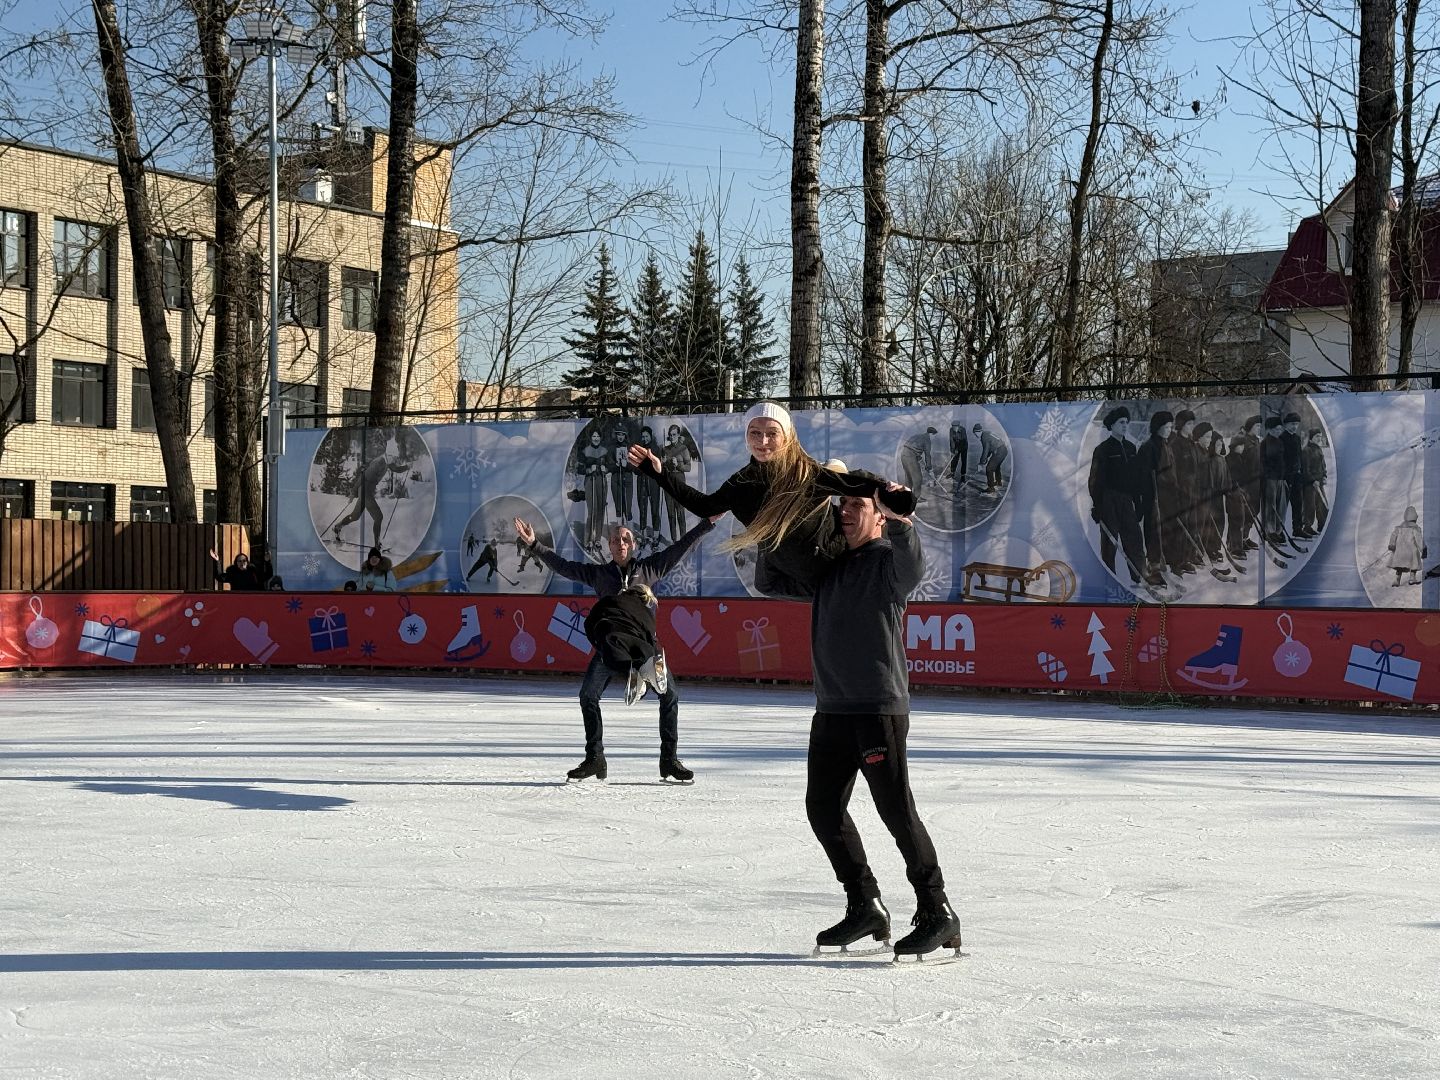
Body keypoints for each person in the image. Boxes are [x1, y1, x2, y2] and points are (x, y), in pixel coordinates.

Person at [759, 477, 959, 961]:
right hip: (831, 708)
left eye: (857, 505)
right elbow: (769, 581)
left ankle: (937, 909)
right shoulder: (828, 566)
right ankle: (864, 903)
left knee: (895, 810)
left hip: (876, 708)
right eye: (842, 503)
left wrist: (900, 517)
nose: (845, 511)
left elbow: (914, 563)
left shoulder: (887, 562)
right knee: (822, 809)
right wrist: (770, 525)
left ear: (878, 517)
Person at [627, 401, 916, 594]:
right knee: (764, 582)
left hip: (836, 564)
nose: (763, 442)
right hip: (795, 577)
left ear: (786, 437)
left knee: (835, 475)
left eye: (771, 434)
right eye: (755, 433)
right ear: (746, 436)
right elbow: (704, 506)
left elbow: (855, 484)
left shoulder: (805, 473)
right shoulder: (741, 484)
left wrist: (895, 496)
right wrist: (659, 474)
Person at [514, 512, 718, 782]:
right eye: (615, 540)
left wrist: (707, 523)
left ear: (633, 544)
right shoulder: (600, 574)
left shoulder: (649, 569)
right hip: (610, 647)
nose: (620, 543)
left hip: (644, 646)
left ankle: (669, 760)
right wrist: (533, 544)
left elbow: (681, 548)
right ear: (609, 547)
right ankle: (595, 758)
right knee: (588, 695)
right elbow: (563, 566)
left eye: (625, 539)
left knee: (670, 695)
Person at [1087, 407, 1151, 586]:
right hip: (1109, 500)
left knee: (1134, 538)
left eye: (1126, 422)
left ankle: (1139, 578)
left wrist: (1138, 503)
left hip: (1126, 500)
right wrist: (1098, 505)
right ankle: (1109, 579)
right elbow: (1095, 480)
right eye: (1121, 422)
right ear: (1112, 425)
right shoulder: (1103, 449)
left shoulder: (1131, 448)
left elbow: (1136, 478)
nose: (1125, 425)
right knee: (1110, 543)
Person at [583, 583, 667, 705]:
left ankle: (635, 674)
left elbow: (588, 623)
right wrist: (655, 653)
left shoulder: (609, 599)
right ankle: (645, 671)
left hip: (613, 637)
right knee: (643, 658)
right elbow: (651, 637)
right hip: (639, 644)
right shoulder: (647, 612)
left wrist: (597, 644)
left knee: (613, 660)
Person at [660, 424, 694, 543]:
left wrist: (678, 465)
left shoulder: (683, 448)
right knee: (671, 513)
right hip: (668, 482)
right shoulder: (665, 449)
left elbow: (689, 467)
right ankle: (674, 541)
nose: (672, 437)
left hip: (679, 481)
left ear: (678, 435)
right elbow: (661, 469)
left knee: (680, 512)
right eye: (670, 435)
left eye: (674, 434)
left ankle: (683, 540)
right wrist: (663, 463)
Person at [577, 429, 609, 555]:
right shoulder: (585, 451)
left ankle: (597, 539)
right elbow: (579, 468)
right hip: (590, 481)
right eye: (594, 436)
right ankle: (588, 540)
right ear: (591, 438)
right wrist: (589, 469)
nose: (596, 438)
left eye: (598, 436)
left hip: (602, 481)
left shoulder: (605, 451)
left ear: (600, 438)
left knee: (600, 510)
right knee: (592, 511)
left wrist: (606, 468)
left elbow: (611, 465)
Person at [634, 427, 663, 546]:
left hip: (653, 483)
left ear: (651, 436)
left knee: (655, 509)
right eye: (643, 436)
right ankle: (643, 535)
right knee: (642, 509)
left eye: (647, 436)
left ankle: (656, 535)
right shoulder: (638, 449)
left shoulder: (656, 448)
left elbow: (659, 468)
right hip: (641, 482)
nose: (645, 439)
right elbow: (635, 469)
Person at [1388, 506, 1426, 586]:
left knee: (1399, 566)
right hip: (1411, 552)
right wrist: (1423, 549)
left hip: (1400, 552)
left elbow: (1393, 536)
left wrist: (1392, 544)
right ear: (1415, 517)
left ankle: (1397, 580)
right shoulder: (1415, 528)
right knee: (1414, 563)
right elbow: (1419, 539)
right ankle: (1412, 578)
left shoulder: (1399, 527)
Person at [899, 427, 937, 502]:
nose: (934, 437)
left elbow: (911, 446)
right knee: (918, 478)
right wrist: (929, 467)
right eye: (934, 435)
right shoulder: (927, 440)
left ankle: (907, 496)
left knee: (908, 477)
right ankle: (916, 497)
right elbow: (927, 455)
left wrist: (918, 457)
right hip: (910, 457)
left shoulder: (917, 436)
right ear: (931, 434)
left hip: (903, 454)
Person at [973, 423, 1008, 493]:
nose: (976, 435)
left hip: (999, 451)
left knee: (989, 468)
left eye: (976, 433)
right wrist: (985, 459)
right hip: (1004, 450)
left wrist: (981, 463)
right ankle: (998, 482)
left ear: (979, 431)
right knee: (996, 466)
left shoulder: (984, 437)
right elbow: (988, 449)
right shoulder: (986, 433)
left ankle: (991, 488)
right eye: (974, 433)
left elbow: (985, 451)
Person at [938, 420, 968, 485]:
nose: (954, 428)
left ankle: (963, 476)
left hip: (963, 446)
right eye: (953, 426)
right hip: (956, 446)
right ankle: (952, 473)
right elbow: (951, 441)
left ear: (958, 426)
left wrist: (958, 449)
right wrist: (952, 451)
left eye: (955, 426)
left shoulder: (963, 430)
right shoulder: (951, 430)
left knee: (963, 461)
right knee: (954, 460)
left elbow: (963, 440)